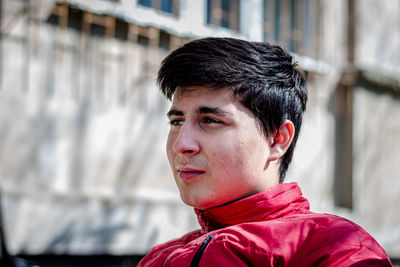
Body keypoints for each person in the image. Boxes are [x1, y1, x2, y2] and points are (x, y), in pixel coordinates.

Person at [137, 38, 392, 266]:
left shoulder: (336, 249)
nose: (181, 144)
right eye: (177, 122)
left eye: (210, 120)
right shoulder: (159, 257)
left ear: (277, 139)